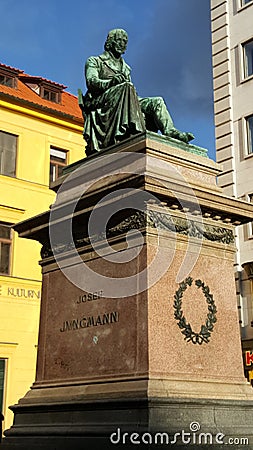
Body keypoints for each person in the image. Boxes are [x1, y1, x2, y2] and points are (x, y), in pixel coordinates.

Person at [80, 28, 194, 155]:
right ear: (110, 43)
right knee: (127, 87)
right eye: (119, 40)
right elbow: (91, 82)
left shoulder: (126, 68)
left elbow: (131, 94)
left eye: (125, 41)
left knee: (157, 101)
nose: (122, 44)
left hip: (124, 97)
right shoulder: (95, 61)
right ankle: (135, 131)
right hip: (101, 101)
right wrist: (111, 82)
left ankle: (170, 130)